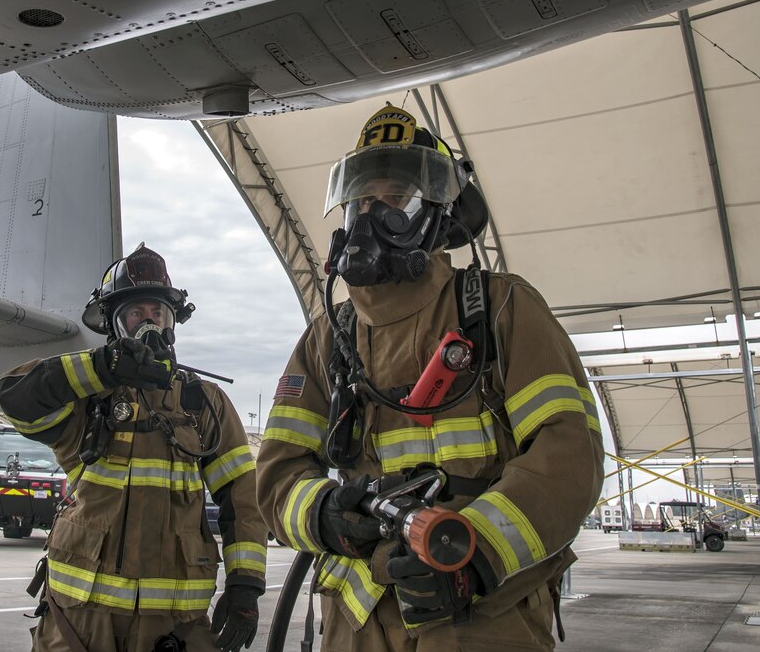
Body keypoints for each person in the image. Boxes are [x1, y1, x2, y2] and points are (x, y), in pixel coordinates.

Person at [256, 106, 604, 651]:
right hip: (357, 621)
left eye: (395, 199)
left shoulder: (501, 309)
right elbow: (277, 476)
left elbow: (569, 456)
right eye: (362, 201)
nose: (371, 216)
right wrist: (324, 515)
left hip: (484, 618)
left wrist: (476, 556)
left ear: (438, 215)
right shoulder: (327, 339)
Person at [0, 244, 267, 652]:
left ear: (172, 322)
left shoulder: (204, 403)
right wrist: (101, 368)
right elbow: (14, 395)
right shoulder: (86, 396)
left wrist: (246, 585)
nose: (149, 323)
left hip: (175, 625)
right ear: (115, 325)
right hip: (81, 621)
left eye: (158, 313)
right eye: (136, 313)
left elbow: (243, 501)